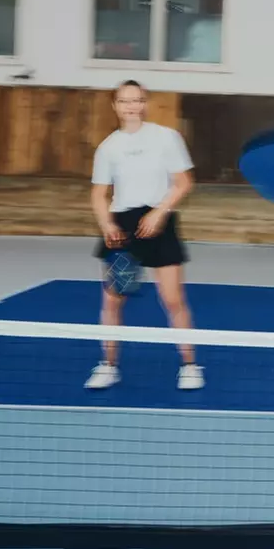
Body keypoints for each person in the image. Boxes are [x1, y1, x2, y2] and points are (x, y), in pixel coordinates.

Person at [87, 80, 204, 391]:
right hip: (122, 227)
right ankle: (108, 365)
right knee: (113, 301)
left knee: (173, 299)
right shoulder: (108, 147)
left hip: (159, 220)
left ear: (145, 103)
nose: (131, 106)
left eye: (137, 100)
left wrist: (159, 212)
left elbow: (183, 183)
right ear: (115, 106)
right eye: (124, 101)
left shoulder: (167, 138)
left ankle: (190, 365)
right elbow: (98, 194)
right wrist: (107, 225)